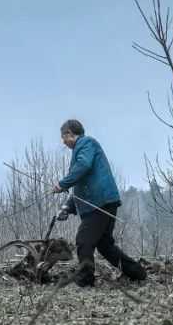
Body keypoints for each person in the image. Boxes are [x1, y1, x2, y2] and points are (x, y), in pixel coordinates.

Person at [51, 119, 147, 287]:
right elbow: (82, 184)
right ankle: (137, 273)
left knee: (83, 240)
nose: (63, 142)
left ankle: (86, 280)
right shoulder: (84, 149)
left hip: (99, 203)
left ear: (70, 133)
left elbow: (83, 166)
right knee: (105, 246)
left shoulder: (86, 143)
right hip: (102, 202)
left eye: (63, 137)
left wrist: (63, 184)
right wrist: (68, 207)